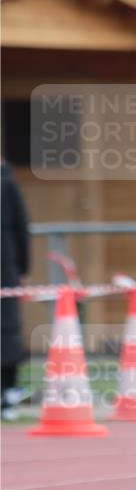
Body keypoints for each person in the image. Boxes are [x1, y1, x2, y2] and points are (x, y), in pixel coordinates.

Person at [1, 159, 31, 420]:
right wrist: (22, 268)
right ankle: (9, 392)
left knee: (8, 330)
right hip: (6, 267)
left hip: (6, 268)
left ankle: (9, 392)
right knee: (8, 329)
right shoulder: (8, 182)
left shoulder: (7, 182)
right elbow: (22, 229)